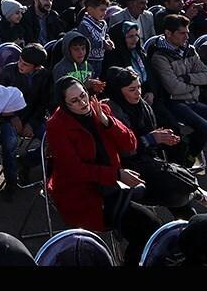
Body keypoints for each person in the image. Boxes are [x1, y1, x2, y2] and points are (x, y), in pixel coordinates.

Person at [47, 75, 162, 266]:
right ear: (64, 104)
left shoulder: (100, 108)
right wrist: (116, 175)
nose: (83, 103)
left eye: (83, 95)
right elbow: (75, 170)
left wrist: (107, 121)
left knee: (150, 226)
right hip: (85, 194)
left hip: (113, 186)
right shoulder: (56, 125)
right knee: (149, 227)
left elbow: (130, 143)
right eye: (74, 101)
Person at [105, 66, 207, 217]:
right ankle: (194, 191)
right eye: (132, 89)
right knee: (172, 191)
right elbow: (123, 148)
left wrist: (164, 138)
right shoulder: (111, 111)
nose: (138, 92)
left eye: (139, 87)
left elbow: (153, 132)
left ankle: (191, 204)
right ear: (118, 91)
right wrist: (149, 140)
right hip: (127, 167)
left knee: (180, 197)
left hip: (148, 158)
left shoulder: (142, 106)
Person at [150, 14, 207, 165]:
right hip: (174, 103)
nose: (186, 36)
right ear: (168, 33)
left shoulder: (189, 50)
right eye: (182, 33)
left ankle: (186, 146)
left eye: (187, 32)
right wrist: (195, 81)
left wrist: (187, 78)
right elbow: (174, 88)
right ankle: (186, 158)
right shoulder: (160, 57)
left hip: (193, 100)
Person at [0, 44, 50, 198]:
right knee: (9, 144)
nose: (20, 65)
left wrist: (32, 123)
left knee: (52, 138)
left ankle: (26, 162)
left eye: (25, 64)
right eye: (20, 61)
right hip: (9, 117)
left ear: (37, 67)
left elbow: (43, 103)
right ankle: (11, 183)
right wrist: (12, 117)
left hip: (33, 117)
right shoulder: (8, 71)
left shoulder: (44, 75)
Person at [76, 0, 114, 79]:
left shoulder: (103, 23)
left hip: (100, 59)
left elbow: (105, 34)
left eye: (105, 10)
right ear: (90, 10)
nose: (104, 13)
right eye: (102, 10)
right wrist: (103, 44)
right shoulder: (84, 24)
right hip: (88, 60)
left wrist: (108, 40)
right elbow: (86, 42)